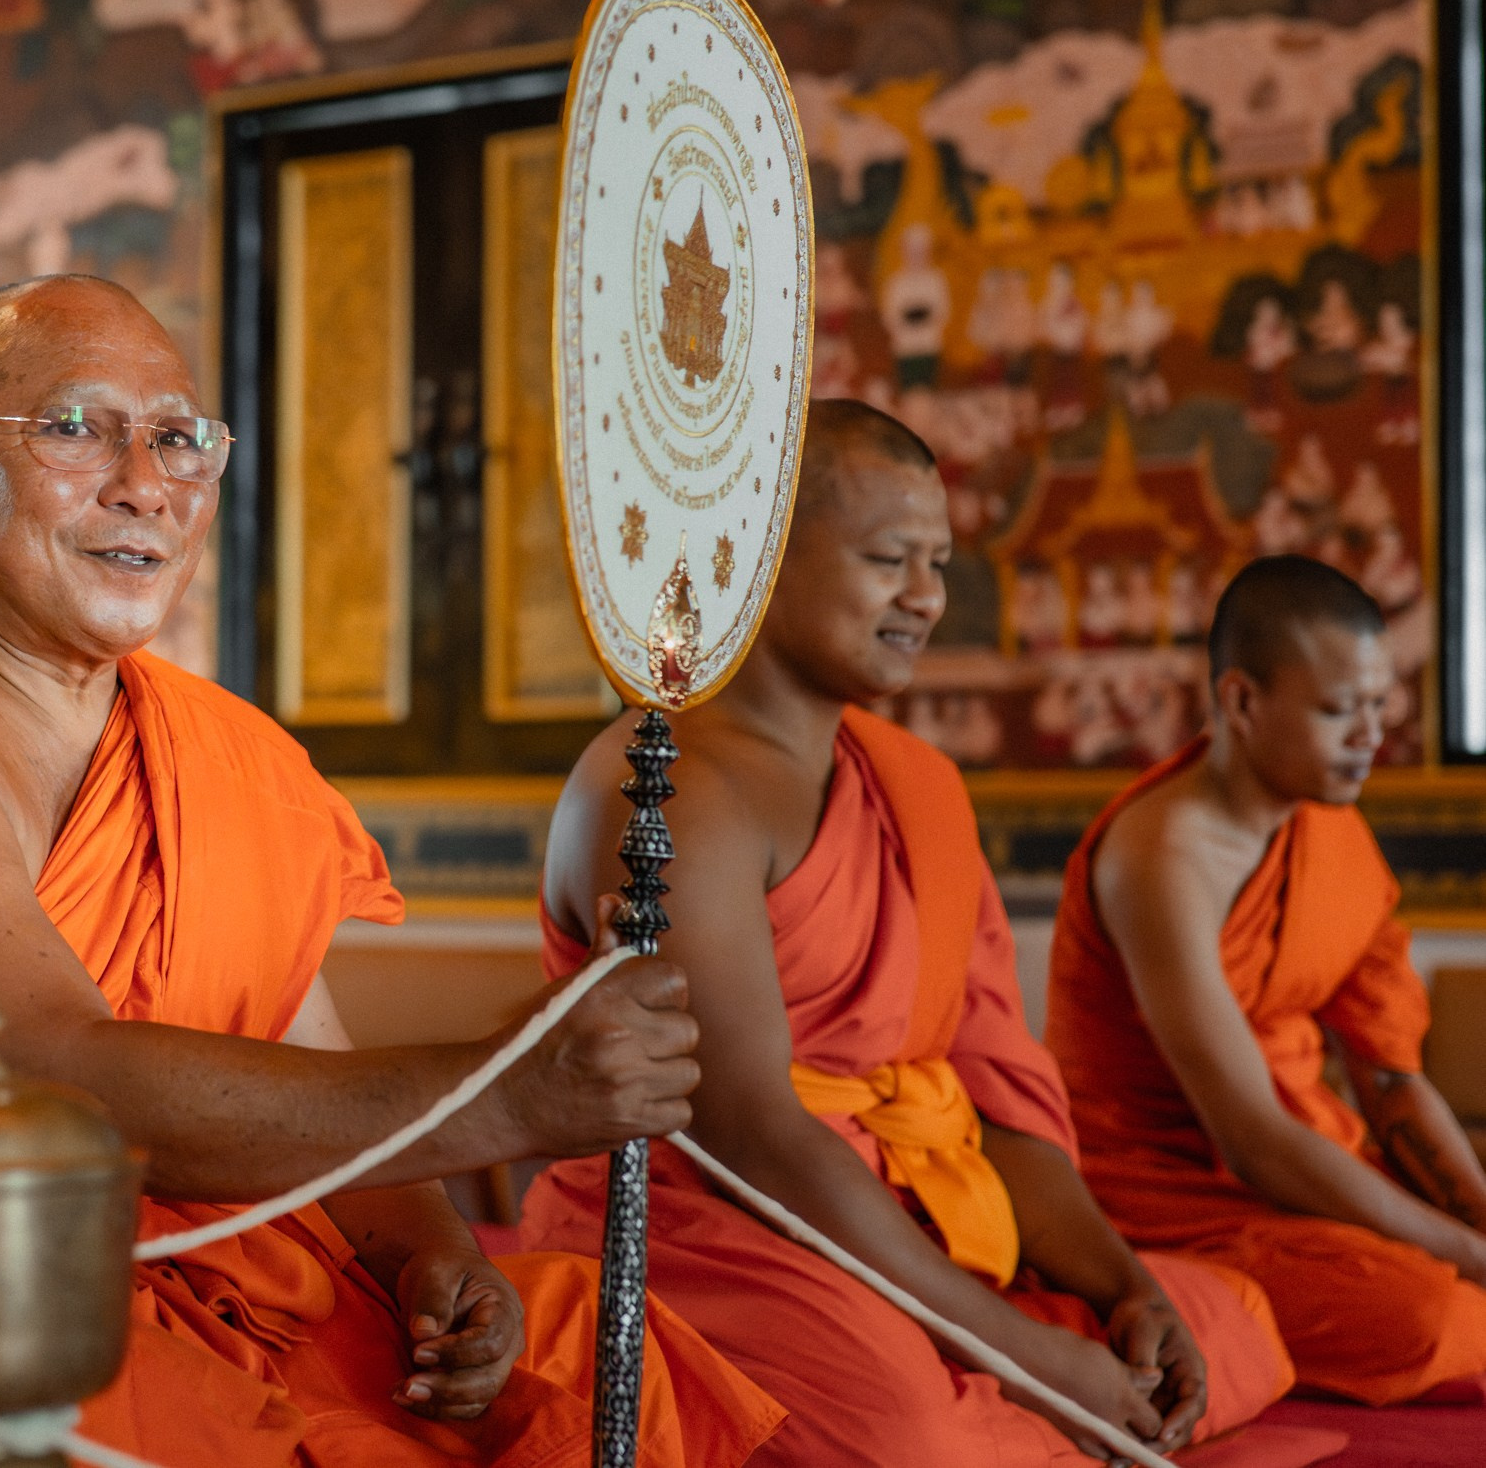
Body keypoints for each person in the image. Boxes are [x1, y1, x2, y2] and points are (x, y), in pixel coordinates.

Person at [0, 275, 785, 1467]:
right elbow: (44, 1084)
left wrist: (425, 1255)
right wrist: (502, 1094)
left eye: (180, 439)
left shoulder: (217, 753)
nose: (143, 481)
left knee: (586, 1349)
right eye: (74, 428)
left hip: (217, 1281)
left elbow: (295, 1056)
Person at [523, 400, 1296, 1467]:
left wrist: (1122, 1287)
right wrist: (1025, 1350)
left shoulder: (918, 787)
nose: (925, 599)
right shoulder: (668, 791)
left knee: (1228, 1322)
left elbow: (992, 1096)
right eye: (889, 559)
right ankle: (1009, 1396)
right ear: (755, 555)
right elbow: (753, 1138)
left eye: (935, 562)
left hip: (920, 1220)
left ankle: (1023, 1390)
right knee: (906, 1432)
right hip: (712, 1233)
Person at [1047, 554, 1486, 1404]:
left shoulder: (1330, 831)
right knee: (1431, 1314)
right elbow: (1248, 1135)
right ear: (1243, 701)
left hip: (1301, 1168)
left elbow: (1391, 1078)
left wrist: (1479, 1221)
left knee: (1445, 1284)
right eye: (1337, 710)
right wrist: (1465, 1255)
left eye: (1376, 706)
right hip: (1162, 1195)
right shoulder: (1162, 860)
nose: (1371, 736)